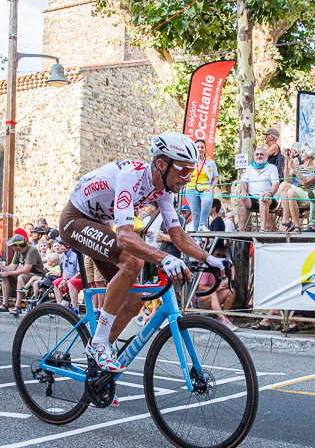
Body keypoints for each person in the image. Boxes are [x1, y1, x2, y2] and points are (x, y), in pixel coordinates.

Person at [57, 132, 227, 373]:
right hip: (75, 221)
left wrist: (209, 259)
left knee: (135, 298)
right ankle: (99, 344)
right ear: (161, 164)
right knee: (132, 262)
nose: (188, 178)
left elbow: (178, 236)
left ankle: (99, 360)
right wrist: (164, 257)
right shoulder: (132, 177)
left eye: (192, 171)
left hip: (99, 224)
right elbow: (124, 236)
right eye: (184, 171)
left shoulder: (163, 192)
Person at [0, 233, 44, 314]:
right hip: (27, 274)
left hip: (36, 275)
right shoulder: (17, 252)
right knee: (5, 276)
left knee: (21, 276)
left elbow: (26, 270)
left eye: (12, 246)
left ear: (17, 245)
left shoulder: (31, 250)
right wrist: (0, 267)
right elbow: (12, 267)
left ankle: (18, 306)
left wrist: (9, 273)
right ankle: (5, 304)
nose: (12, 248)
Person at [277, 144, 315, 233]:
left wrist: (294, 168)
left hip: (307, 195)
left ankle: (285, 221)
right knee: (290, 192)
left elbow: (304, 182)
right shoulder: (297, 168)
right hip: (295, 194)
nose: (300, 154)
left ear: (309, 153)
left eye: (303, 152)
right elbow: (287, 179)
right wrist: (286, 161)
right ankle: (297, 226)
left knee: (284, 185)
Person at [234, 146, 281, 231]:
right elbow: (244, 182)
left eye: (261, 154)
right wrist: (244, 191)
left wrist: (269, 194)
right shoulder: (250, 168)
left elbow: (276, 184)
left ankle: (263, 228)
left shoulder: (271, 167)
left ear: (266, 157)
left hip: (269, 198)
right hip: (253, 198)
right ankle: (241, 228)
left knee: (263, 199)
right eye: (257, 154)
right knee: (241, 199)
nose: (259, 156)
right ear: (254, 156)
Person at [183, 139, 219, 232]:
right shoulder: (189, 161)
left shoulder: (211, 162)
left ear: (205, 149)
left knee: (207, 201)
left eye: (202, 147)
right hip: (191, 188)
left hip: (205, 187)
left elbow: (215, 177)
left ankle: (202, 224)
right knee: (196, 214)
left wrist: (212, 188)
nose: (200, 149)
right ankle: (198, 240)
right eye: (197, 147)